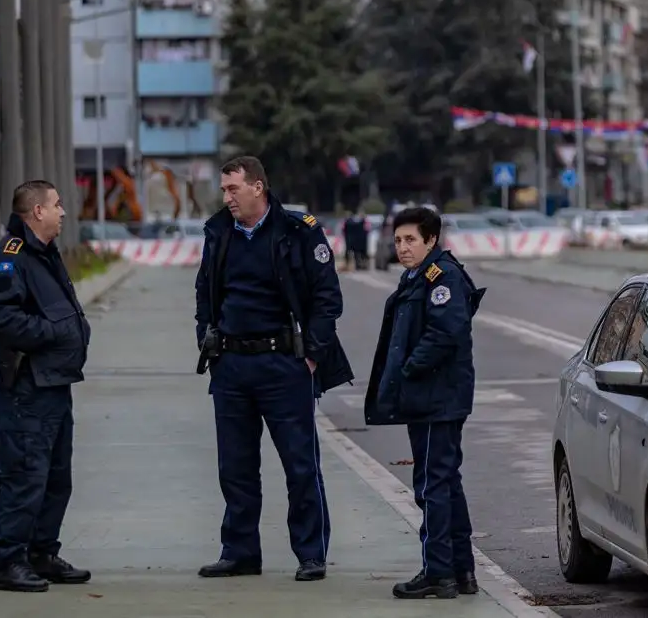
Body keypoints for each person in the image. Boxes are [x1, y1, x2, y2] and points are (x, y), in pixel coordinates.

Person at [194, 156, 353, 582]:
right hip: (231, 366)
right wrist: (207, 345)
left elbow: (326, 297)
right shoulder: (218, 232)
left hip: (283, 364)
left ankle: (311, 553)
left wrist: (312, 354)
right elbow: (204, 293)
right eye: (224, 190)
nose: (227, 197)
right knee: (235, 467)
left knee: (300, 464)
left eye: (233, 189)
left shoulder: (297, 230)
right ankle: (240, 551)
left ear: (258, 187)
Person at [364, 207, 485, 599]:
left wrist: (409, 370)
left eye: (411, 239)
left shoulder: (441, 277)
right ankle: (461, 571)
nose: (402, 247)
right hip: (433, 397)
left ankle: (438, 573)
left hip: (437, 398)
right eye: (398, 240)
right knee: (446, 483)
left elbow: (446, 331)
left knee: (432, 485)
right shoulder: (417, 276)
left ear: (431, 239)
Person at [0, 180, 92, 593]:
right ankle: (9, 562)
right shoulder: (10, 256)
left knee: (56, 478)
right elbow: (3, 319)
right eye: (57, 204)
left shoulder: (44, 255)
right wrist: (54, 333)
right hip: (25, 387)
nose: (63, 212)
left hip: (54, 383)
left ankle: (41, 553)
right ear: (37, 212)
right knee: (25, 475)